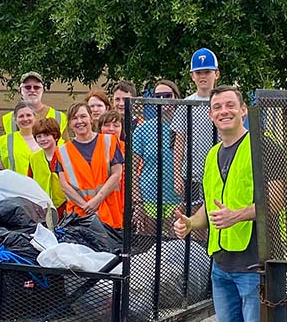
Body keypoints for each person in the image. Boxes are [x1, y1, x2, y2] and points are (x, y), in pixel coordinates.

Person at [174, 87, 284, 322]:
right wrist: (191, 223)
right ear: (210, 114)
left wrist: (237, 215)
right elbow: (212, 206)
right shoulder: (211, 154)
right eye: (216, 107)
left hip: (253, 261)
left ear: (242, 110)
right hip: (222, 261)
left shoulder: (264, 145)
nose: (223, 111)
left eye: (229, 106)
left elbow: (279, 199)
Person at [52, 102, 124, 228]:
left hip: (110, 213)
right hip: (79, 217)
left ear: (91, 119)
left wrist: (96, 201)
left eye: (83, 116)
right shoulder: (62, 152)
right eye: (74, 118)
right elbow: (65, 186)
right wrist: (86, 206)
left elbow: (116, 175)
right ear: (69, 124)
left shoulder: (109, 142)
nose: (79, 121)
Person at [172, 48, 221, 207]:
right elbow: (179, 141)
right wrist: (177, 175)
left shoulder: (223, 103)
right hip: (191, 174)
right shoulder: (186, 105)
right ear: (192, 76)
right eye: (198, 72)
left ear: (216, 74)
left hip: (220, 171)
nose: (203, 76)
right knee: (193, 215)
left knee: (216, 213)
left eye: (207, 71)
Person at [132, 80, 181, 225]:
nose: (162, 100)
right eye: (157, 96)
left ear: (176, 97)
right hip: (149, 197)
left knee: (177, 243)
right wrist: (138, 203)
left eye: (167, 95)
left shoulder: (185, 127)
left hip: (178, 198)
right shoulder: (143, 129)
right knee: (151, 244)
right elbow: (132, 169)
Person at [1, 72, 67, 135]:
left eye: (36, 87)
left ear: (42, 90)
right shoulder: (8, 119)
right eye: (28, 87)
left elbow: (66, 145)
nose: (32, 90)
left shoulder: (59, 117)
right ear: (20, 90)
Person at [28, 118, 66, 210]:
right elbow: (30, 182)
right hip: (42, 206)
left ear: (56, 137)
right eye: (39, 136)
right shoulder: (33, 158)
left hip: (65, 206)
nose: (42, 139)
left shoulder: (66, 155)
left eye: (46, 135)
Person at [0, 101, 40, 174]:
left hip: (40, 184)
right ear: (15, 120)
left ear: (35, 117)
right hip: (13, 184)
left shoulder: (44, 139)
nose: (25, 119)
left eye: (28, 115)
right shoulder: (3, 141)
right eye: (21, 116)